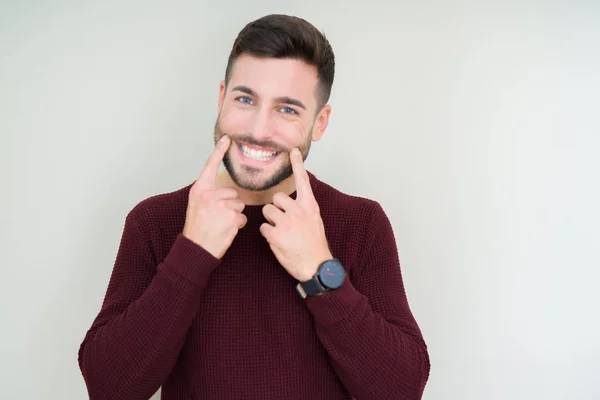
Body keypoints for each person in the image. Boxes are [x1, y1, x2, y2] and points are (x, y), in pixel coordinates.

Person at [78, 14, 430, 400]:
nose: (259, 130)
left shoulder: (361, 223)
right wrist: (191, 254)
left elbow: (401, 389)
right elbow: (108, 387)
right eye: (245, 99)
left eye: (288, 109)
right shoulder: (155, 222)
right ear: (221, 98)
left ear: (320, 123)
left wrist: (318, 271)